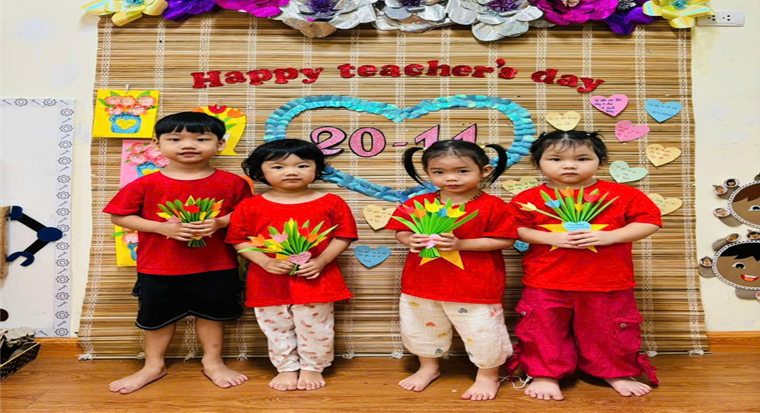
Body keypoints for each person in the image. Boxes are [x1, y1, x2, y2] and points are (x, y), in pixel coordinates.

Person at [506, 130, 661, 401]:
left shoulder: (622, 194)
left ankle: (615, 371)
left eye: (582, 158)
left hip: (608, 281)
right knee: (543, 329)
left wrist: (611, 236)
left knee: (609, 329)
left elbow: (650, 221)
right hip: (546, 280)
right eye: (556, 159)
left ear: (601, 161)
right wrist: (549, 238)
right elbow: (515, 229)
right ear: (537, 163)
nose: (569, 165)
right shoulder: (528, 199)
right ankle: (545, 374)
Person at [104, 111, 252, 394]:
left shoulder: (233, 183)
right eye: (175, 139)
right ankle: (153, 365)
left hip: (216, 264)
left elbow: (246, 214)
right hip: (159, 266)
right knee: (156, 318)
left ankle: (213, 362)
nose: (188, 145)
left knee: (212, 315)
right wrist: (162, 228)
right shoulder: (145, 183)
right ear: (156, 144)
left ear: (220, 143)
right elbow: (119, 216)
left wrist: (220, 222)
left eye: (201, 139)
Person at [385, 140, 515, 401]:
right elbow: (401, 231)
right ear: (428, 173)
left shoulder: (494, 205)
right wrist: (410, 240)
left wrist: (461, 244)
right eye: (439, 172)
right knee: (421, 328)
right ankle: (428, 367)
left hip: (476, 286)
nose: (451, 178)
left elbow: (506, 240)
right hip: (422, 283)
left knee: (483, 332)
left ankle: (488, 375)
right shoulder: (419, 203)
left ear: (485, 171)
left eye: (462, 171)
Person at [227, 139, 358, 392]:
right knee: (275, 326)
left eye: (302, 165)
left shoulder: (332, 202)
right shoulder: (249, 206)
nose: (291, 172)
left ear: (317, 169)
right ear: (259, 172)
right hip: (267, 280)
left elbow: (344, 236)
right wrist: (264, 261)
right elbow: (237, 240)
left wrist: (321, 261)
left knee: (316, 326)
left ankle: (312, 367)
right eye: (278, 167)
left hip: (316, 278)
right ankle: (286, 367)